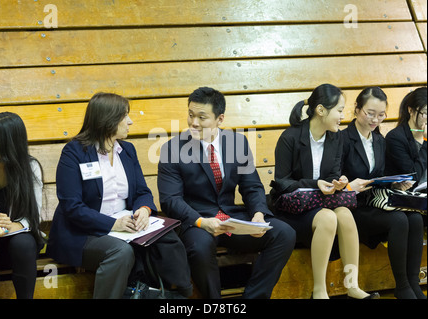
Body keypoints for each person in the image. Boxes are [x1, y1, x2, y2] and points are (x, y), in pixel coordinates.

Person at [47, 92, 192, 299]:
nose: (130, 122)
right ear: (108, 120)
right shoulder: (74, 152)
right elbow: (72, 207)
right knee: (121, 252)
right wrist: (113, 225)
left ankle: (182, 296)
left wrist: (143, 210)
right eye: (125, 116)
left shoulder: (127, 150)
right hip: (84, 232)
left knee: (167, 237)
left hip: (125, 224)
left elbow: (142, 191)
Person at [157, 86, 296, 299]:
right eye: (191, 115)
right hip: (197, 222)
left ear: (219, 119)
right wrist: (202, 222)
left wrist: (259, 214)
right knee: (200, 248)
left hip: (231, 218)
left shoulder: (236, 142)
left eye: (202, 117)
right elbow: (170, 200)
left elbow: (252, 186)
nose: (193, 122)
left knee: (284, 233)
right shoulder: (173, 149)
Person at [269, 84, 378, 299]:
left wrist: (338, 183)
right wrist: (314, 183)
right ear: (321, 110)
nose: (342, 115)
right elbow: (282, 183)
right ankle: (319, 291)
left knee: (345, 214)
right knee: (328, 218)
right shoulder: (289, 138)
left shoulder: (336, 138)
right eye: (339, 110)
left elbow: (332, 175)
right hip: (292, 210)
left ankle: (352, 286)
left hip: (321, 201)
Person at [341, 87, 425, 299]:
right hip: (353, 207)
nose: (375, 120)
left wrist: (394, 185)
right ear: (357, 109)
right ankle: (403, 286)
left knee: (414, 218)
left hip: (376, 203)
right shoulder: (342, 140)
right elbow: (335, 178)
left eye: (381, 115)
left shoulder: (379, 141)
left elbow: (381, 177)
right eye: (370, 113)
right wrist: (350, 184)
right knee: (399, 219)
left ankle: (413, 284)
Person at [0, 112, 44, 299]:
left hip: (16, 247)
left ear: (10, 144)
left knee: (23, 242)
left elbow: (33, 216)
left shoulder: (30, 168)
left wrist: (14, 226)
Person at [385, 87, 427, 188]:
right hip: (411, 197)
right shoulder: (395, 138)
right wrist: (426, 142)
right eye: (425, 113)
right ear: (411, 110)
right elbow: (413, 177)